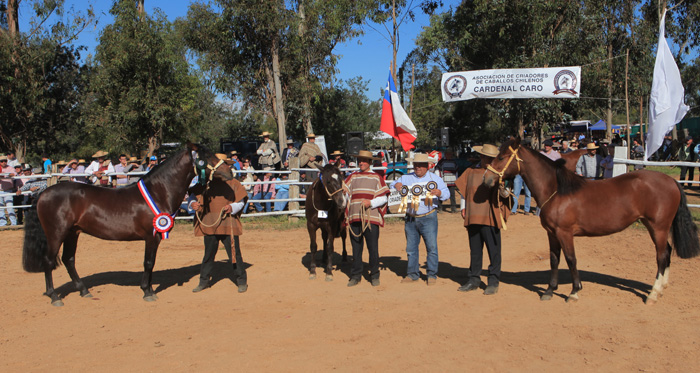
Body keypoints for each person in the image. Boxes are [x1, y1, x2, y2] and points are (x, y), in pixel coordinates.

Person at [455, 144, 510, 295]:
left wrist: (503, 190)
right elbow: (463, 190)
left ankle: (493, 281)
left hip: (490, 216)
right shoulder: (470, 171)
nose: (489, 160)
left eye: (492, 158)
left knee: (494, 251)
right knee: (475, 250)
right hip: (473, 215)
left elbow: (506, 195)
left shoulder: (499, 172)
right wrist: (463, 207)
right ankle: (473, 279)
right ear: (482, 156)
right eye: (487, 158)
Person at [391, 153, 450, 285]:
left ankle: (431, 275)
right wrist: (396, 185)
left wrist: (439, 193)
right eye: (416, 165)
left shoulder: (435, 179)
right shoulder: (406, 178)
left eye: (421, 165)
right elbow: (393, 184)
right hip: (411, 217)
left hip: (428, 216)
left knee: (432, 247)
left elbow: (447, 194)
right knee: (411, 248)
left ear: (427, 166)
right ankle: (412, 274)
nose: (418, 167)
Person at [189, 167, 249, 293]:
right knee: (208, 254)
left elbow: (241, 200)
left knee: (234, 253)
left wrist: (232, 207)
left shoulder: (234, 183)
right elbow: (193, 195)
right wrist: (192, 203)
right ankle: (204, 281)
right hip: (210, 223)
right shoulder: (205, 184)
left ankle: (241, 281)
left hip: (228, 223)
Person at [344, 150, 390, 287]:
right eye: (360, 161)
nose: (362, 163)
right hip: (355, 217)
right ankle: (356, 275)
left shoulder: (376, 178)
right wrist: (343, 193)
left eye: (364, 161)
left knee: (373, 248)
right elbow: (346, 195)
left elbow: (383, 197)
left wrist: (371, 203)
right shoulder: (352, 177)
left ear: (370, 162)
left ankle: (375, 274)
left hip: (370, 218)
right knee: (356, 249)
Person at [0, 154, 17, 226]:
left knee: (10, 207)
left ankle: (14, 224)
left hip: (8, 190)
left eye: (5, 161)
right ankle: (2, 224)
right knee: (0, 208)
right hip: (0, 191)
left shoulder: (10, 168)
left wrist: (7, 175)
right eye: (2, 161)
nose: (4, 162)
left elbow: (14, 174)